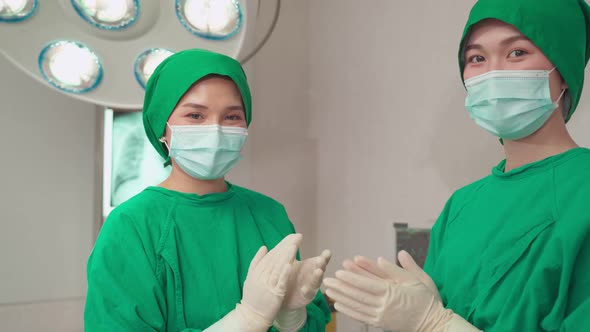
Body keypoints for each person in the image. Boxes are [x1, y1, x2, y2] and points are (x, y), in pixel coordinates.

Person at [323, 0, 590, 331]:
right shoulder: (461, 206)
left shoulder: (583, 192)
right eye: (477, 58)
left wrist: (435, 323)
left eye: (517, 52)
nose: (493, 72)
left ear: (563, 70)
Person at [85, 48, 332, 332]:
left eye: (231, 117)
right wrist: (247, 320)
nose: (215, 130)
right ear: (162, 128)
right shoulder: (131, 226)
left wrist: (292, 317)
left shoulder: (269, 214)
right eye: (195, 116)